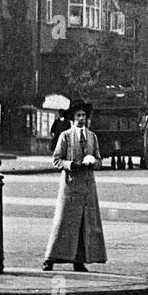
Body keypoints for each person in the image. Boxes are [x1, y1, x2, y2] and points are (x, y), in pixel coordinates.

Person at [43, 102, 107, 272]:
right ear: (73, 118)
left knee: (85, 223)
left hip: (87, 187)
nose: (81, 119)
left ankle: (79, 261)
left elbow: (100, 159)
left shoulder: (92, 137)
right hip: (70, 186)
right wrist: (71, 164)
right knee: (63, 223)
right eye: (78, 116)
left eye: (83, 116)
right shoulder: (65, 136)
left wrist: (94, 161)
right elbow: (57, 160)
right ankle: (50, 259)